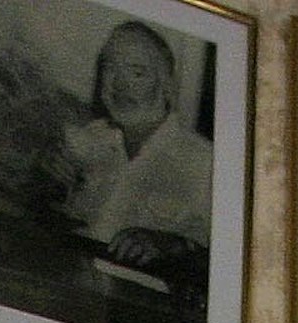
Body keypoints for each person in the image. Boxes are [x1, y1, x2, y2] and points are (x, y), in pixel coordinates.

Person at [64, 20, 212, 285]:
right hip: (73, 286)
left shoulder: (204, 163)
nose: (119, 86)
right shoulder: (89, 139)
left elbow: (229, 263)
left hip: (142, 312)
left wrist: (172, 245)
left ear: (167, 85)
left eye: (137, 73)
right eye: (110, 70)